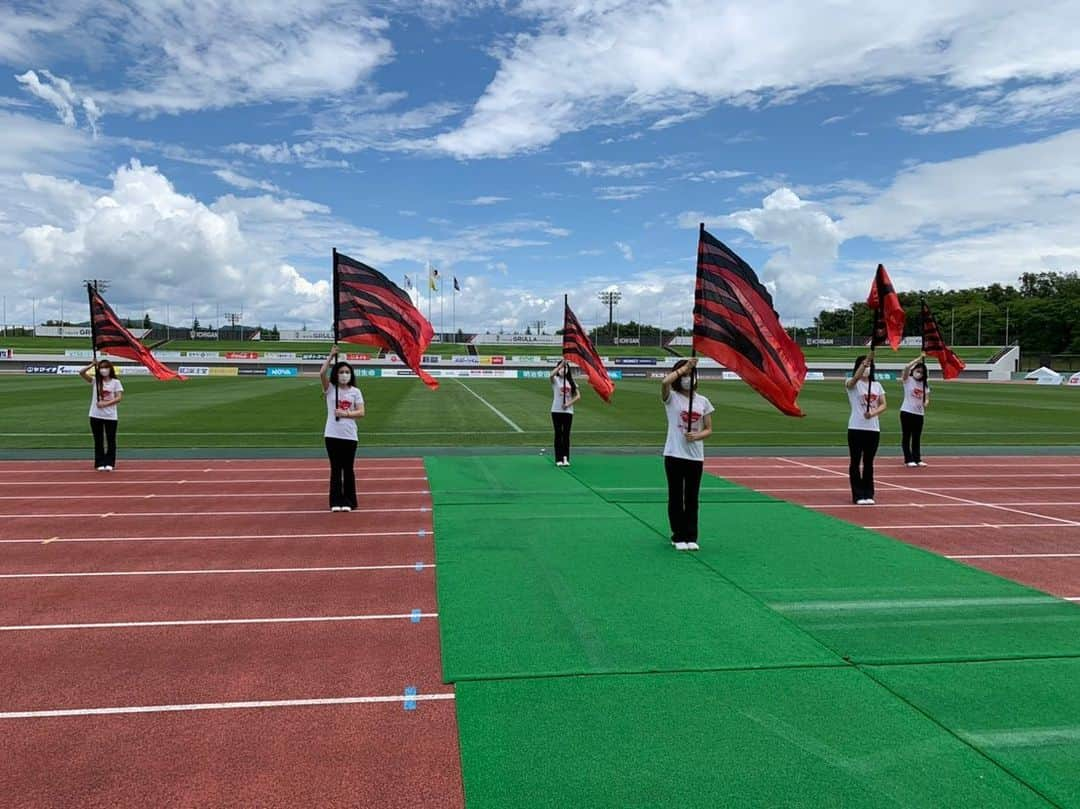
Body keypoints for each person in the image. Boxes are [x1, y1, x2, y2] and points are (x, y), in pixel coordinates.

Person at [661, 357, 713, 551]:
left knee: (692, 498)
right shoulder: (672, 397)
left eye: (691, 375)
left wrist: (697, 435)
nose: (688, 378)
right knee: (676, 496)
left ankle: (691, 535)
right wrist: (685, 367)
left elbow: (709, 428)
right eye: (685, 376)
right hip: (674, 454)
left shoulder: (703, 401)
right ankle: (678, 535)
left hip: (695, 456)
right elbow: (664, 382)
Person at [320, 345, 365, 512]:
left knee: (348, 468)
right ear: (336, 374)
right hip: (332, 434)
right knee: (335, 469)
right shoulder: (330, 389)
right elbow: (321, 373)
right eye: (341, 372)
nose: (344, 375)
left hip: (349, 435)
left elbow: (361, 412)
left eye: (347, 372)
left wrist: (345, 414)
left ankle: (349, 500)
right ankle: (335, 501)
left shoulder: (356, 391)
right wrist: (331, 355)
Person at [845, 353, 887, 505]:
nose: (867, 368)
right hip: (856, 427)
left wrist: (873, 413)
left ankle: (868, 493)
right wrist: (865, 362)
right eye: (864, 365)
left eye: (869, 365)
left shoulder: (877, 385)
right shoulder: (852, 383)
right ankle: (857, 494)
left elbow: (883, 404)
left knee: (869, 462)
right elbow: (854, 380)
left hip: (873, 429)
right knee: (855, 461)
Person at [79, 359, 123, 471]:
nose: (104, 370)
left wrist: (105, 404)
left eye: (106, 367)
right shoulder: (96, 381)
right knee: (98, 440)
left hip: (111, 415)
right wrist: (92, 365)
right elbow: (81, 373)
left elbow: (119, 398)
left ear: (110, 369)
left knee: (111, 439)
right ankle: (99, 462)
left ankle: (110, 462)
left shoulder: (115, 382)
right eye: (102, 367)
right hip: (95, 415)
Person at [900, 353, 930, 467]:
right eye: (918, 371)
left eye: (922, 372)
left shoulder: (924, 385)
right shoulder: (908, 380)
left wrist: (926, 403)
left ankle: (917, 458)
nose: (919, 373)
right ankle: (908, 459)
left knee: (917, 437)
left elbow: (927, 398)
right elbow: (906, 368)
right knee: (907, 436)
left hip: (919, 413)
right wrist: (918, 359)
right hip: (907, 412)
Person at [549, 359, 580, 467]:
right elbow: (550, 375)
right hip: (556, 411)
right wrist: (559, 366)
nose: (563, 370)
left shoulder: (571, 382)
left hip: (568, 412)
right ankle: (558, 458)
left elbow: (578, 396)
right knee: (558, 434)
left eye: (565, 368)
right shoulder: (556, 380)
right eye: (562, 368)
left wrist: (568, 404)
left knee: (566, 435)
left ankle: (565, 458)